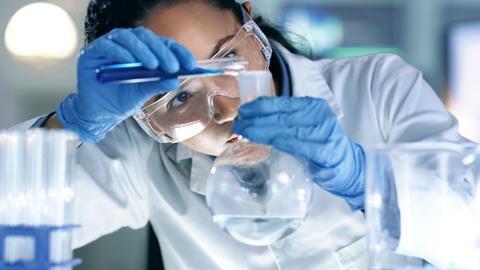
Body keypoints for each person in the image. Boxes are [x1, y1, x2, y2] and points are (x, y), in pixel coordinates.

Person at [11, 0, 466, 269]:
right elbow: (12, 234)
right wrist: (69, 125)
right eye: (177, 99)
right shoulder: (139, 148)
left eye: (228, 62)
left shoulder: (377, 87)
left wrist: (365, 177)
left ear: (248, 21)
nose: (226, 109)